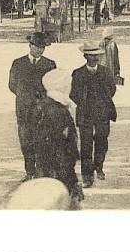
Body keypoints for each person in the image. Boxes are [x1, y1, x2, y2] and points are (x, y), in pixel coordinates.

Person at [9, 31, 57, 181]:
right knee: (25, 141)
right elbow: (12, 85)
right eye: (37, 46)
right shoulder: (18, 63)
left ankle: (40, 171)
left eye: (42, 47)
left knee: (41, 140)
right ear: (30, 46)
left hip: (42, 109)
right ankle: (29, 171)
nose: (40, 50)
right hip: (24, 110)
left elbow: (53, 85)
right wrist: (24, 96)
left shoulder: (49, 64)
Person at [70, 41, 117, 188]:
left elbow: (112, 89)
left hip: (103, 113)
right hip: (85, 114)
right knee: (86, 145)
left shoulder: (105, 72)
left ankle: (99, 166)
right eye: (92, 56)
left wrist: (102, 101)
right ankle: (87, 176)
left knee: (102, 141)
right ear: (85, 57)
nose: (95, 58)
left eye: (97, 55)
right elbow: (73, 94)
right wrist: (84, 103)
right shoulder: (78, 73)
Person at [35, 69, 83, 208]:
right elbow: (62, 150)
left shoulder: (42, 106)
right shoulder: (59, 112)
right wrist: (72, 181)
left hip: (45, 170)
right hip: (58, 174)